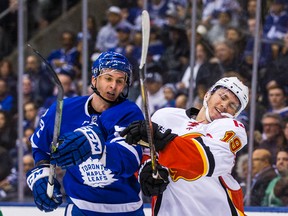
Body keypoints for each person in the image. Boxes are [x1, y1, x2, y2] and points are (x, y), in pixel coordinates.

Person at [26, 51, 145, 215]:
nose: (113, 86)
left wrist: (94, 144)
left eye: (120, 81)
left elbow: (129, 160)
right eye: (108, 78)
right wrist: (42, 173)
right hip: (80, 208)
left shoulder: (130, 113)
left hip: (125, 208)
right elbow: (40, 147)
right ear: (94, 80)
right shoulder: (64, 109)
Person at [121, 76, 249, 215]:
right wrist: (146, 171)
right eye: (223, 97)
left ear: (235, 114)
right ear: (208, 95)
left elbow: (204, 159)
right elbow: (146, 154)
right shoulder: (165, 117)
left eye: (232, 106)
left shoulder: (233, 128)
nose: (224, 105)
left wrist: (161, 137)